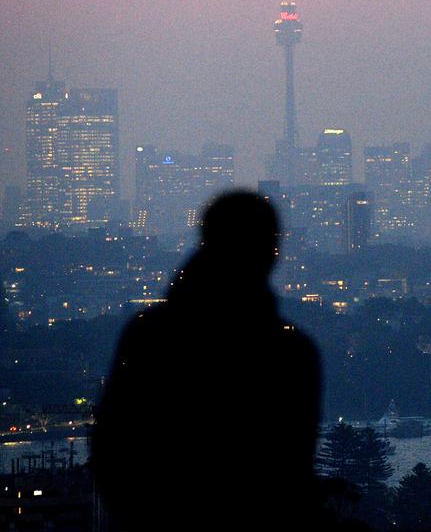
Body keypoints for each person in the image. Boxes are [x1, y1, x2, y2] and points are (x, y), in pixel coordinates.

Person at [92, 192, 322, 531]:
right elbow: (291, 470)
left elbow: (111, 446)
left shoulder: (148, 336)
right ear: (272, 254)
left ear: (206, 241)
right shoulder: (292, 353)